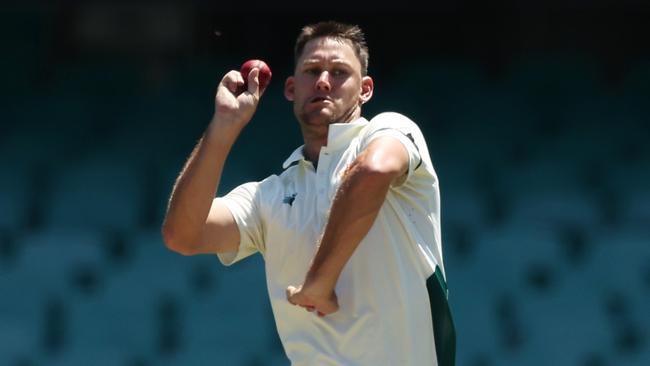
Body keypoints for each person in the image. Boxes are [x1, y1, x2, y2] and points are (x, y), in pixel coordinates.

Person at [162, 20, 455, 365]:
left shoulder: (392, 130)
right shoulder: (268, 196)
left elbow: (373, 171)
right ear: (290, 88)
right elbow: (183, 235)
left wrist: (319, 282)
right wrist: (224, 127)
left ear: (365, 90)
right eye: (312, 70)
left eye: (339, 72)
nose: (323, 81)